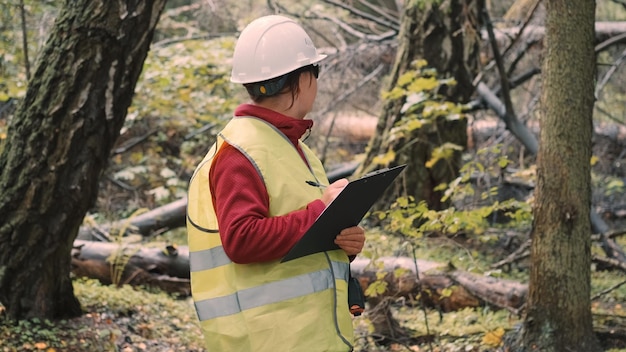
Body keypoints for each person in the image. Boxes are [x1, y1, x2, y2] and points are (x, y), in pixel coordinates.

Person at [186, 15, 366, 352]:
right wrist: (321, 212)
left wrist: (342, 242)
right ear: (302, 78)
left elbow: (298, 237)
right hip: (268, 340)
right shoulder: (239, 152)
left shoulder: (295, 150)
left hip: (310, 337)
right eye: (316, 72)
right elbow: (240, 240)